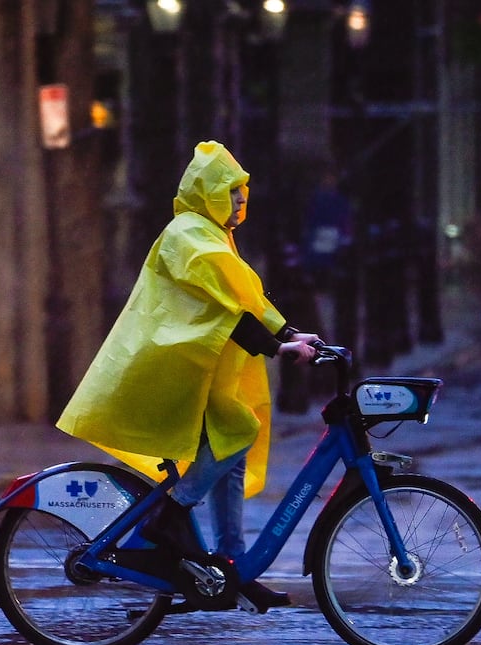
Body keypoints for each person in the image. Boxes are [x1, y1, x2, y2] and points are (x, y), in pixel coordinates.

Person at [56, 140, 319, 612]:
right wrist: (279, 345)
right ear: (207, 193)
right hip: (172, 372)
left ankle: (233, 568)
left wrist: (292, 333)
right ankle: (171, 512)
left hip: (195, 372)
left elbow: (245, 301)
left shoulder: (210, 235)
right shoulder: (189, 236)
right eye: (232, 191)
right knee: (237, 433)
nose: (241, 200)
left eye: (243, 192)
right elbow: (225, 307)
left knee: (231, 459)